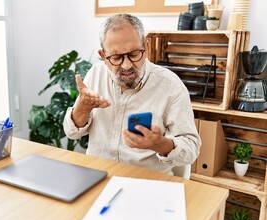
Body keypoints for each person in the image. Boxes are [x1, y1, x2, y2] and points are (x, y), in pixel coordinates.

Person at [63, 13, 201, 175]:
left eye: (134, 54)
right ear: (103, 57)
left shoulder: (170, 86)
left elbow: (192, 148)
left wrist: (161, 144)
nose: (127, 65)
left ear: (146, 47)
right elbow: (72, 133)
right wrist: (82, 108)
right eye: (116, 57)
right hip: (97, 176)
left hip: (146, 182)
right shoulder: (95, 74)